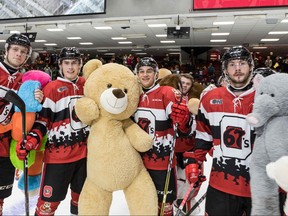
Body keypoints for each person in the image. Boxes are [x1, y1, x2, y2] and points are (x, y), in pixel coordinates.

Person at [16, 47, 89, 216]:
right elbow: (43, 121)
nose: (70, 67)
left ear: (80, 64)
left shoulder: (87, 86)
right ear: (61, 65)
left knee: (83, 204)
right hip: (58, 158)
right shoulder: (51, 89)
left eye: (74, 63)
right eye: (66, 63)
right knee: (47, 206)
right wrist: (31, 140)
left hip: (85, 157)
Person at [184, 46, 256, 215]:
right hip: (221, 184)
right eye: (232, 64)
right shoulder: (210, 98)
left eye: (242, 63)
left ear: (251, 66)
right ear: (225, 69)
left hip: (259, 187)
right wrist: (195, 161)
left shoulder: (266, 97)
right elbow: (203, 137)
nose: (237, 68)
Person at [133, 57, 192, 216]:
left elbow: (185, 128)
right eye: (141, 71)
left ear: (156, 74)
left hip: (162, 162)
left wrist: (184, 119)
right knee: (142, 202)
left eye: (149, 71)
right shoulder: (134, 94)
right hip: (139, 162)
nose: (145, 75)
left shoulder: (167, 93)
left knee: (164, 205)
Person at [0, 33, 43, 215]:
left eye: (23, 52)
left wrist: (38, 98)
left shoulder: (26, 82)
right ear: (6, 50)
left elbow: (30, 114)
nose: (18, 54)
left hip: (5, 144)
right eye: (15, 49)